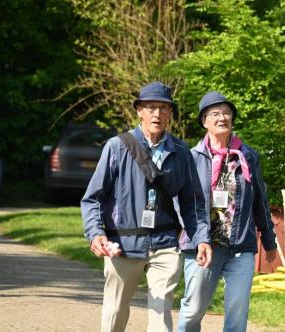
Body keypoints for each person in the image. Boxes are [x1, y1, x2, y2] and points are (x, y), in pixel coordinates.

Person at [81, 81, 212, 332]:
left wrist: (202, 239)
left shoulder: (182, 152)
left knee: (161, 315)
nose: (157, 114)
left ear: (170, 114)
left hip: (164, 243)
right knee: (115, 313)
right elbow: (93, 197)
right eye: (151, 107)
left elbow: (192, 202)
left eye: (164, 108)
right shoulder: (117, 147)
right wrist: (96, 233)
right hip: (123, 243)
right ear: (139, 111)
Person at [177, 91, 277, 332]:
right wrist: (200, 239)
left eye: (226, 113)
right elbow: (183, 204)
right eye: (215, 114)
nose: (222, 118)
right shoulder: (190, 157)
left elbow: (260, 201)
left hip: (240, 246)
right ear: (204, 121)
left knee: (237, 311)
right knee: (193, 310)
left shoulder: (248, 156)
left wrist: (269, 240)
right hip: (202, 246)